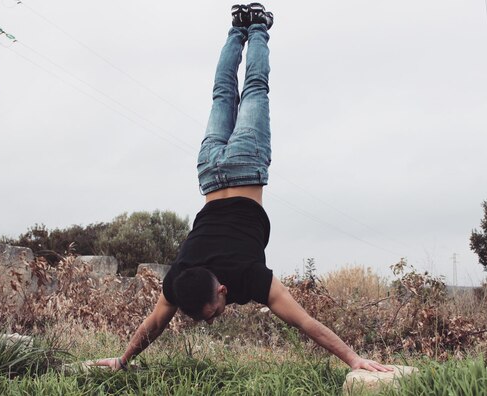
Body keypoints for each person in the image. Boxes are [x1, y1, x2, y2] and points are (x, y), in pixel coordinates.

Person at [95, 4, 391, 372]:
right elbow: (156, 323)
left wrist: (352, 359)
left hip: (245, 164)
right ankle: (238, 28)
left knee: (254, 88)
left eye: (212, 312)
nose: (212, 320)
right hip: (210, 171)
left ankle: (258, 28)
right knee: (222, 94)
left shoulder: (249, 278)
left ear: (221, 291)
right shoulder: (181, 279)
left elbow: (304, 323)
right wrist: (122, 360)